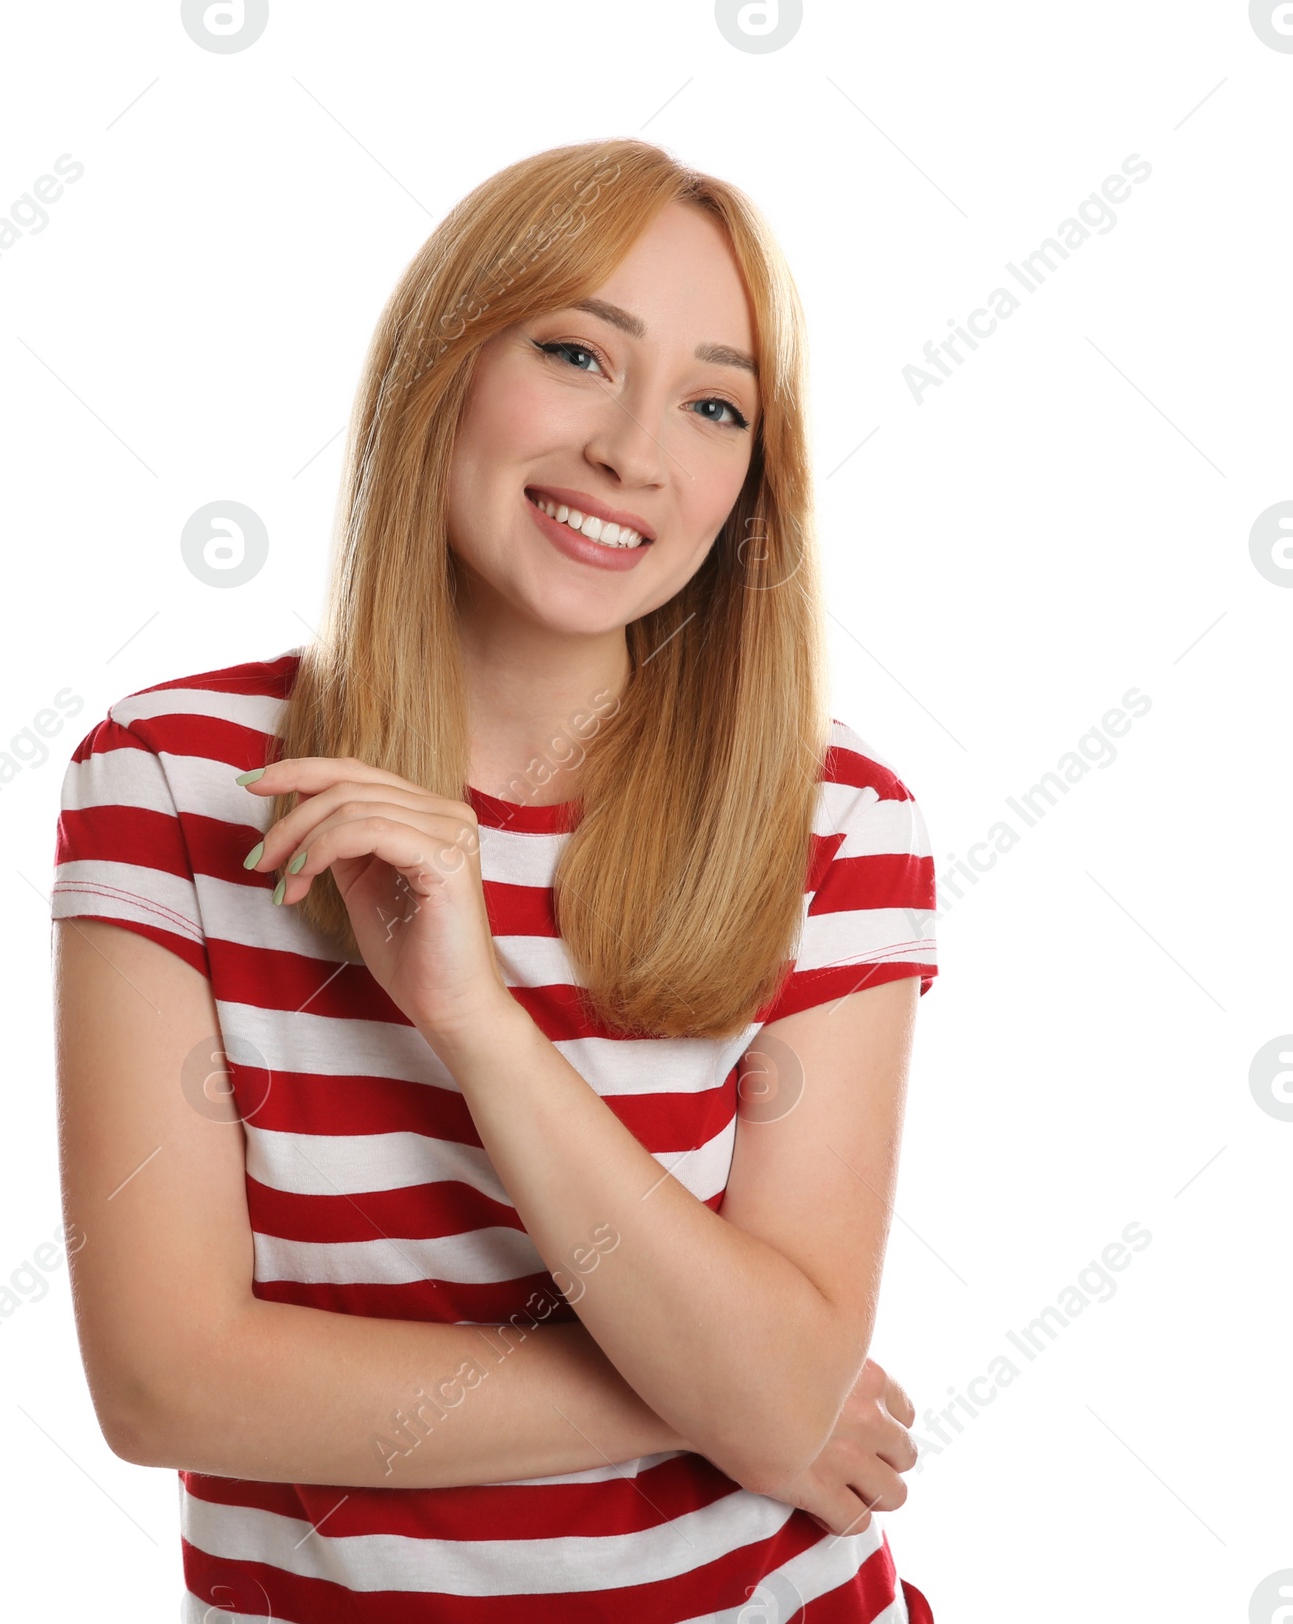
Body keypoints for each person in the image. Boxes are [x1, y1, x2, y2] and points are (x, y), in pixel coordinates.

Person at [51, 137, 940, 1622]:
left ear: (749, 489)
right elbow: (164, 1384)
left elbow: (796, 1376)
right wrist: (728, 1396)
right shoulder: (176, 777)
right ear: (443, 366)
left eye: (714, 404)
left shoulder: (837, 821)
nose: (635, 453)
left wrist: (475, 1018)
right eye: (580, 355)